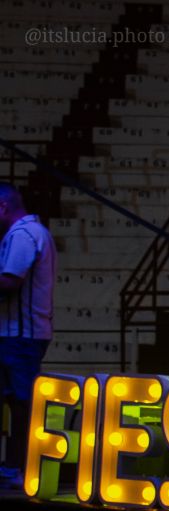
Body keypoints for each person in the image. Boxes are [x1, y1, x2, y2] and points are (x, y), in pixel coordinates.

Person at [0, 183, 56, 483]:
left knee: (22, 403)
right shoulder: (29, 233)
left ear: (3, 207)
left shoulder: (24, 234)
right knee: (16, 402)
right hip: (20, 334)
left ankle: (19, 468)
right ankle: (13, 465)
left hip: (20, 335)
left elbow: (10, 282)